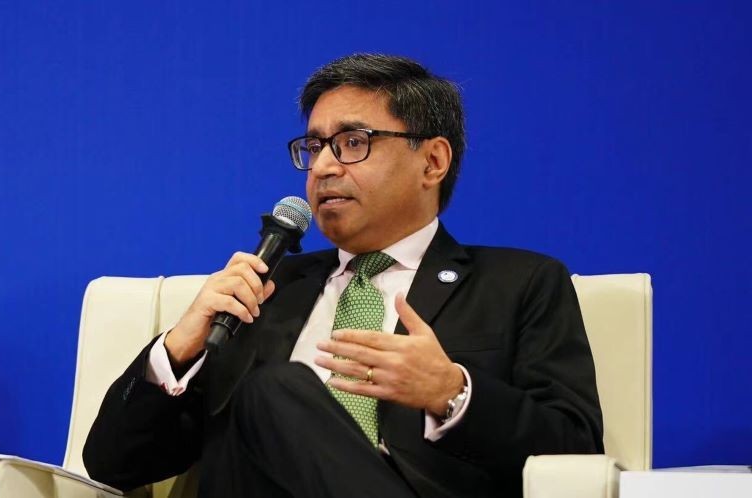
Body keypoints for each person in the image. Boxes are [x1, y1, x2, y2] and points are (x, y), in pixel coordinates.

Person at [84, 54, 603, 498]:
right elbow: (113, 466)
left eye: (354, 142)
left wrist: (452, 392)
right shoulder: (265, 293)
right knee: (272, 394)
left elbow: (574, 452)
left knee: (274, 390)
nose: (324, 168)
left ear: (433, 162)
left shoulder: (519, 283)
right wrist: (179, 348)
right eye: (314, 148)